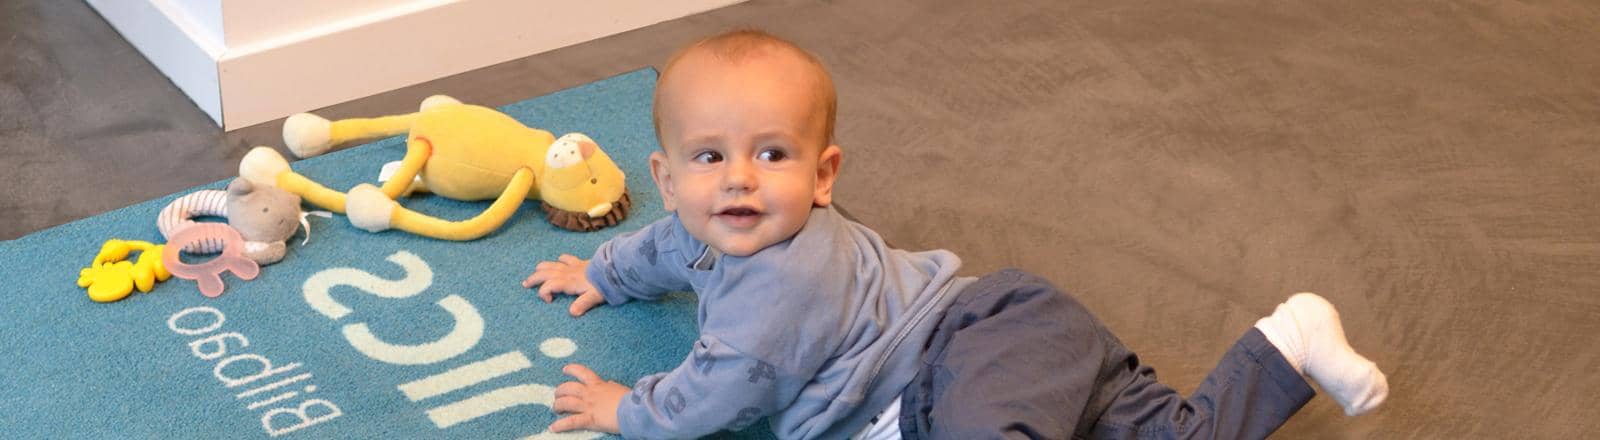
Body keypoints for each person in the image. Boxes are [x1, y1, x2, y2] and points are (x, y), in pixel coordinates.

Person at [521, 29, 1388, 440]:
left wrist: (623, 408)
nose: (739, 178)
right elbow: (660, 249)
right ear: (667, 180)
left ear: (823, 176)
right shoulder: (700, 227)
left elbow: (710, 395)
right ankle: (1290, 342)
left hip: (964, 353)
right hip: (1025, 347)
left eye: (772, 154)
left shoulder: (780, 288)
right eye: (709, 157)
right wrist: (603, 271)